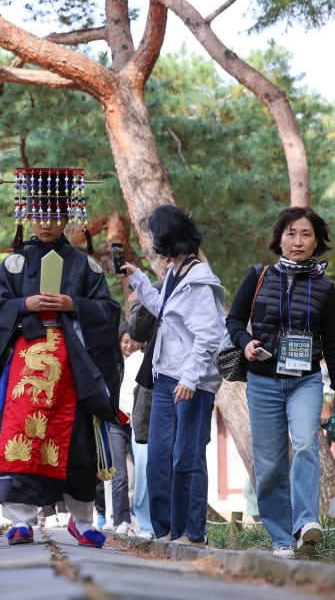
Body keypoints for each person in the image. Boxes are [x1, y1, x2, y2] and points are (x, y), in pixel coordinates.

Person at [0, 167, 123, 548]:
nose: (45, 224)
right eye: (38, 216)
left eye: (54, 217)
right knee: (22, 429)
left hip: (72, 364)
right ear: (28, 216)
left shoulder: (84, 266)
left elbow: (108, 312)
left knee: (75, 437)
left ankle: (82, 517)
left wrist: (73, 304)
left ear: (66, 217)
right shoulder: (14, 264)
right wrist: (24, 304)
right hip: (25, 359)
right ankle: (20, 518)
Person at [225, 206, 335, 559]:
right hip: (263, 382)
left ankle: (307, 524)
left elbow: (334, 343)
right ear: (279, 238)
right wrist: (244, 342)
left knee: (307, 445)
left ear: (316, 243)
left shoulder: (325, 288)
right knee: (269, 465)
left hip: (305, 381)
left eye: (306, 234)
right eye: (291, 233)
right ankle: (281, 536)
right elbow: (234, 320)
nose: (298, 241)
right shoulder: (259, 276)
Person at [120, 205, 225, 546]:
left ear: (167, 235)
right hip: (165, 376)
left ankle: (192, 533)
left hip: (191, 382)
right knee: (159, 457)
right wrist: (137, 278)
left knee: (186, 457)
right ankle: (165, 530)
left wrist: (191, 378)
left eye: (153, 234)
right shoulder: (174, 272)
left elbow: (209, 334)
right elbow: (164, 311)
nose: (151, 240)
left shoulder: (198, 280)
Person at [104, 324, 140, 537]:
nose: (129, 345)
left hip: (139, 423)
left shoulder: (145, 360)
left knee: (140, 474)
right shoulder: (113, 363)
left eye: (132, 341)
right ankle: (120, 519)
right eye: (125, 341)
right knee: (118, 474)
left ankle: (138, 517)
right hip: (117, 422)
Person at [119, 326, 153, 537]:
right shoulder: (133, 361)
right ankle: (145, 523)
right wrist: (130, 413)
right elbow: (125, 391)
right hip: (140, 419)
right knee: (140, 472)